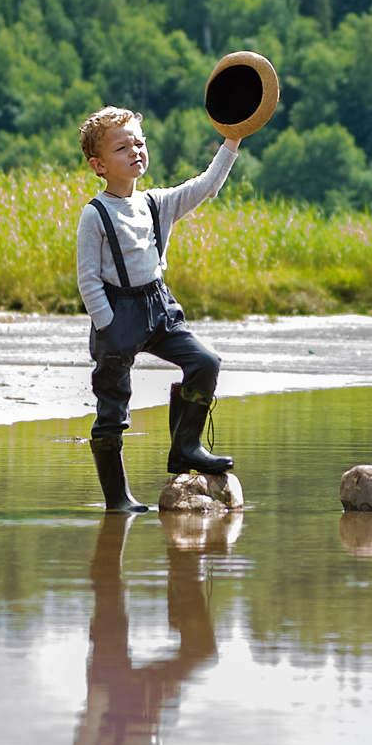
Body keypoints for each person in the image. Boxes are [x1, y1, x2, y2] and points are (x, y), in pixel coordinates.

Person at [77, 106, 241, 511]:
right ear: (99, 165)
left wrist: (232, 142)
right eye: (122, 147)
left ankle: (185, 448)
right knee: (112, 406)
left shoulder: (156, 203)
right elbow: (88, 278)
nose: (135, 150)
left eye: (139, 142)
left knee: (205, 361)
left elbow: (206, 186)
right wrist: (107, 323)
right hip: (117, 314)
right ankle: (118, 500)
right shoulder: (94, 214)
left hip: (159, 306)